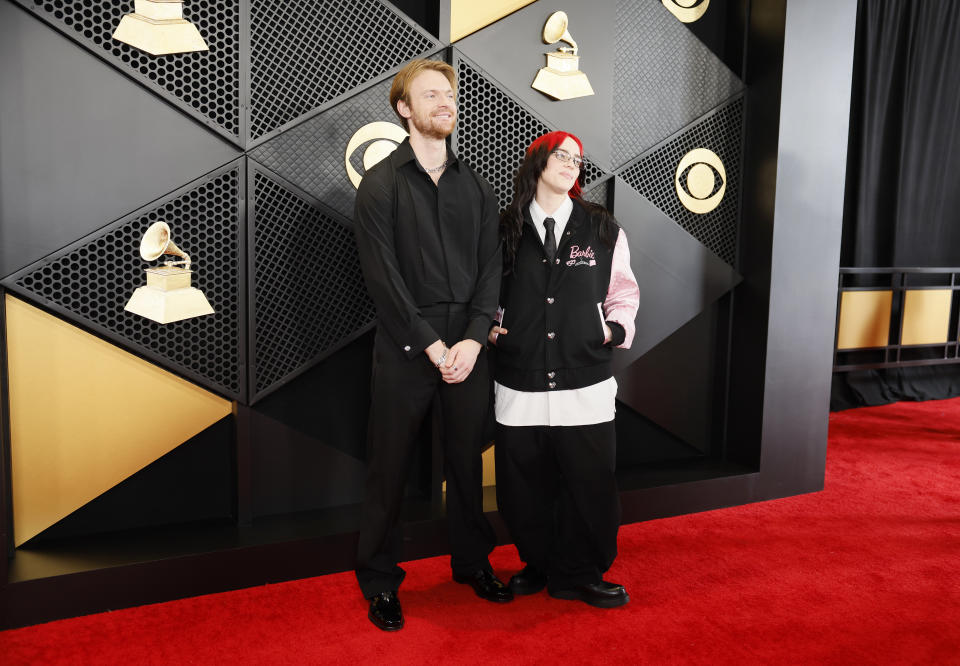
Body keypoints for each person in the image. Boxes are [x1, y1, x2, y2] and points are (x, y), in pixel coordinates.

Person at [352, 59, 512, 632]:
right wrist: (431, 346)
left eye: (449, 93)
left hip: (468, 349)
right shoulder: (381, 184)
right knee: (389, 468)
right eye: (430, 95)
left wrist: (470, 342)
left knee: (467, 463)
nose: (445, 101)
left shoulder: (476, 185)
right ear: (404, 109)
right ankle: (379, 581)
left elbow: (491, 269)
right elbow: (383, 279)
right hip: (405, 345)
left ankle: (472, 564)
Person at [489, 131, 640, 608]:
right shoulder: (504, 227)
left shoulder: (602, 227)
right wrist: (493, 329)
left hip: (585, 380)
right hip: (521, 379)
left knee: (589, 483)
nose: (572, 164)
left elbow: (623, 291)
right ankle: (539, 563)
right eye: (562, 155)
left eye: (578, 159)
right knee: (524, 485)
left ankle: (581, 571)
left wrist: (613, 331)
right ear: (538, 161)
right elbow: (486, 292)